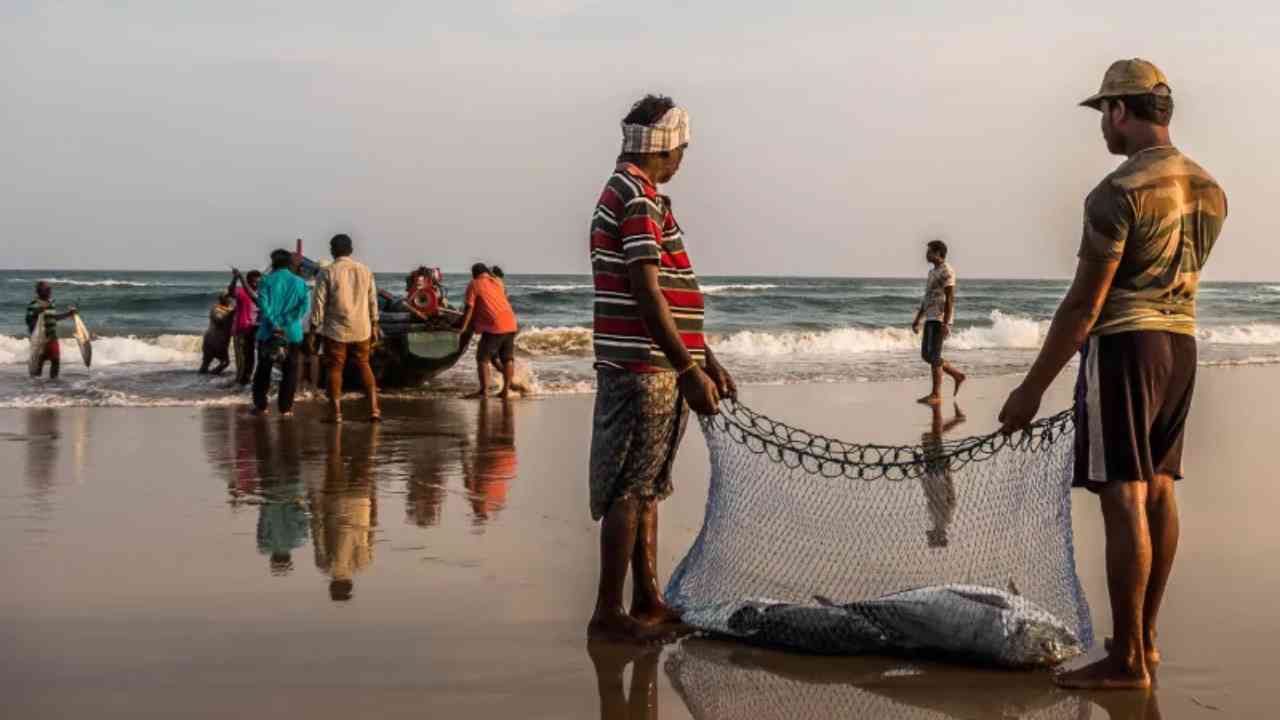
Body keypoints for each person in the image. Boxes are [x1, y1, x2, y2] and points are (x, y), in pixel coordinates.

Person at [998, 59, 1226, 689]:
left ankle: (1126, 661)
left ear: (1121, 111)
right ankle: (1144, 640)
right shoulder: (1210, 188)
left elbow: (1084, 304)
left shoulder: (1116, 192)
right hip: (1180, 345)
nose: (1102, 126)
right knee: (1158, 488)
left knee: (1122, 495)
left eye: (1103, 112)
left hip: (1126, 349)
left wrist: (1030, 389)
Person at [587, 94, 736, 642]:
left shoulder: (642, 194)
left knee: (649, 485)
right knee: (631, 485)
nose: (685, 159)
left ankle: (647, 598)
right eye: (683, 148)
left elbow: (671, 296)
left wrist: (704, 360)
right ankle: (609, 612)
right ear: (666, 146)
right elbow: (646, 291)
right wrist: (687, 368)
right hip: (642, 367)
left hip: (658, 365)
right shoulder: (634, 195)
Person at [311, 233, 381, 423]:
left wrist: (313, 327)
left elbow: (319, 303)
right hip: (362, 327)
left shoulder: (327, 272)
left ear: (333, 251)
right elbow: (372, 300)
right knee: (364, 364)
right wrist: (375, 322)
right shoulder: (365, 270)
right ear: (351, 250)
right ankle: (374, 409)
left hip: (335, 328)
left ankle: (336, 413)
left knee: (335, 368)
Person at [251, 249, 312, 417]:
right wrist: (288, 321)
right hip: (292, 333)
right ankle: (286, 408)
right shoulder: (300, 282)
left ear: (274, 263)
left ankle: (261, 406)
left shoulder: (266, 281)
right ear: (289, 263)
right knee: (290, 371)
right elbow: (303, 307)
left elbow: (263, 305)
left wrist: (275, 323)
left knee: (263, 369)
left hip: (268, 333)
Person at [911, 240, 966, 404]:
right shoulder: (931, 272)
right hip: (930, 317)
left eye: (929, 252)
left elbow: (950, 298)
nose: (926, 255)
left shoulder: (947, 271)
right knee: (926, 355)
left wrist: (946, 323)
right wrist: (918, 319)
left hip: (940, 318)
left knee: (934, 356)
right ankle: (957, 375)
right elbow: (927, 297)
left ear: (938, 253)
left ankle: (936, 394)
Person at [460, 263, 520, 399]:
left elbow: (469, 308)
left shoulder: (474, 284)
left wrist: (463, 327)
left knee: (482, 358)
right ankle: (506, 390)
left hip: (494, 326)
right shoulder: (499, 282)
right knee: (507, 359)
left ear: (474, 274)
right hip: (511, 323)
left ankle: (484, 391)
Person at [921, 402, 965, 548]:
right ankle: (957, 419)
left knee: (929, 439)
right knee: (931, 439)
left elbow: (930, 494)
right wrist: (947, 472)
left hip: (932, 474)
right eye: (931, 539)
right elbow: (950, 496)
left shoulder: (938, 520)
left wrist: (919, 471)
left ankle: (955, 418)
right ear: (938, 536)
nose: (928, 536)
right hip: (938, 473)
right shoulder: (943, 519)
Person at [25, 281, 78, 379]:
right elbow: (28, 320)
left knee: (56, 360)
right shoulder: (33, 304)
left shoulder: (51, 303)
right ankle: (35, 387)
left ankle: (53, 384)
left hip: (52, 337)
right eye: (47, 289)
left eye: (50, 289)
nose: (50, 291)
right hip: (40, 340)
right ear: (39, 291)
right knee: (38, 365)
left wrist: (68, 314)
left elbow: (54, 317)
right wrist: (36, 313)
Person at [229, 269, 262, 386]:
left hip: (255, 330)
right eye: (253, 282)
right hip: (241, 330)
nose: (256, 284)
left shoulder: (261, 294)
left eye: (258, 282)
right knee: (241, 359)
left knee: (252, 358)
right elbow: (231, 292)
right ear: (247, 281)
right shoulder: (241, 291)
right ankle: (239, 384)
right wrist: (235, 278)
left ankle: (247, 382)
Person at [200, 292, 235, 375]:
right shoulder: (216, 309)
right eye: (226, 297)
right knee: (224, 362)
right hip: (214, 340)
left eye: (229, 297)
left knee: (208, 363)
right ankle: (210, 376)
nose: (229, 299)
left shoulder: (230, 309)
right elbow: (219, 320)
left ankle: (206, 377)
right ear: (221, 299)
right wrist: (231, 313)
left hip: (216, 340)